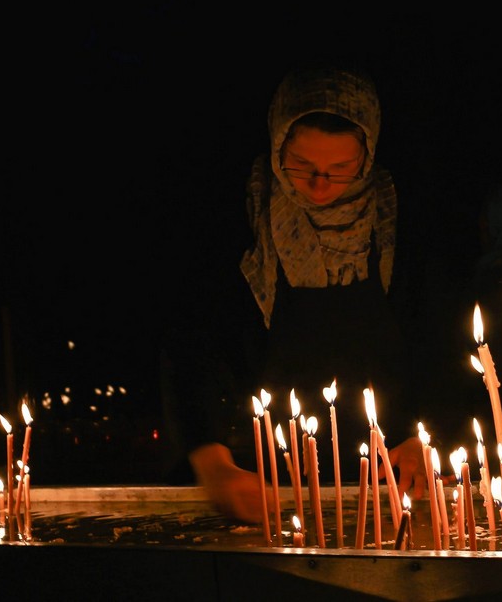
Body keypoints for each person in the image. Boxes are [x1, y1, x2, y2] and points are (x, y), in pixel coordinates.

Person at [160, 63, 430, 524]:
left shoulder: (397, 224)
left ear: (367, 156)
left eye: (340, 169)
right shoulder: (238, 219)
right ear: (276, 144)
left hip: (384, 481)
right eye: (301, 165)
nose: (319, 184)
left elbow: (432, 338)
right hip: (255, 480)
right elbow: (194, 343)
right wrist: (211, 459)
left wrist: (419, 432)